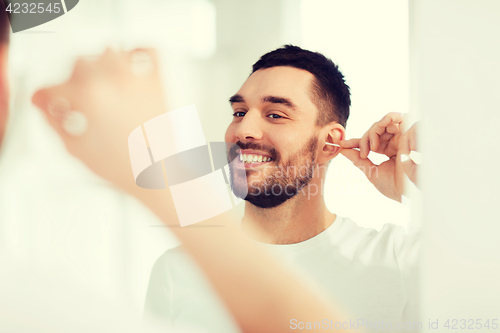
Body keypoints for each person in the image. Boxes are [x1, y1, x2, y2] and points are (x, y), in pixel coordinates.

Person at [143, 45, 421, 332]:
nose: (242, 130)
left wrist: (417, 193)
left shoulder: (400, 260)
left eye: (275, 115)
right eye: (239, 112)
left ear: (329, 143)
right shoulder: (177, 270)